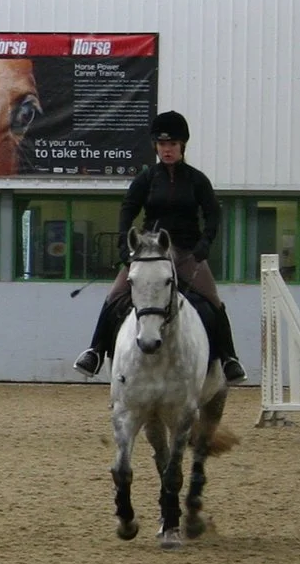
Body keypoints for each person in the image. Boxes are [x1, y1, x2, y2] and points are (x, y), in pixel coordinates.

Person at [74, 111, 245, 384]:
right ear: (156, 146)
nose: (167, 150)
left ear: (182, 147)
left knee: (214, 302)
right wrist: (123, 245)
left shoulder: (197, 180)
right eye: (163, 145)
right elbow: (128, 208)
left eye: (173, 145)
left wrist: (204, 244)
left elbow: (213, 214)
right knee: (114, 296)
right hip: (150, 253)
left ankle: (228, 358)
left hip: (187, 252)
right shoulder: (147, 178)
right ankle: (94, 351)